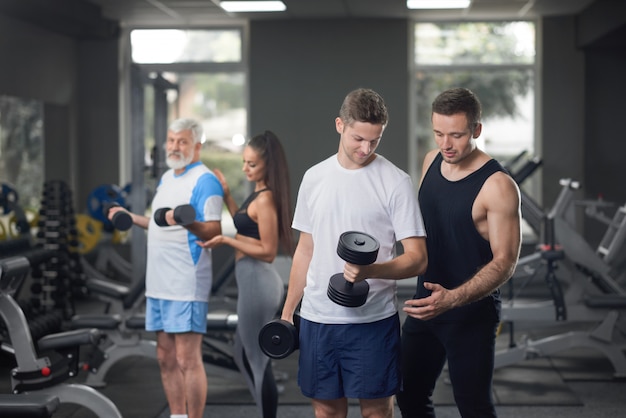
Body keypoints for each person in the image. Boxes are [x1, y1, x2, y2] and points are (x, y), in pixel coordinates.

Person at [280, 88, 428, 418]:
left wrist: (370, 271)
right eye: (358, 138)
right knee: (327, 412)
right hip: (318, 319)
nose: (365, 149)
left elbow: (418, 258)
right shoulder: (314, 178)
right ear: (339, 125)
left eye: (374, 141)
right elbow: (306, 250)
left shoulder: (395, 182)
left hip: (373, 321)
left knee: (377, 412)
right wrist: (289, 312)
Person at [396, 87, 522, 418]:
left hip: (470, 314)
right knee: (409, 397)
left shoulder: (498, 186)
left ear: (476, 130)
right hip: (426, 307)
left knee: (474, 408)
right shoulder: (430, 161)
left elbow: (506, 262)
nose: (445, 144)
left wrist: (452, 299)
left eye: (456, 135)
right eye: (438, 133)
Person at [108, 118, 224, 418]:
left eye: (182, 141)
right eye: (171, 140)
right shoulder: (168, 178)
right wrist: (131, 217)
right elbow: (162, 223)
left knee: (187, 358)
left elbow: (213, 230)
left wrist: (187, 221)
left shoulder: (205, 180)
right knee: (164, 357)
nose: (174, 147)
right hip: (158, 282)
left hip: (186, 280)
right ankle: (177, 415)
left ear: (196, 146)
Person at [196, 130, 294, 418]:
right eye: (244, 162)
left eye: (252, 164)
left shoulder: (266, 199)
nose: (245, 168)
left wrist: (227, 241)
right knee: (242, 355)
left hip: (258, 280)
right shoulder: (258, 193)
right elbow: (246, 225)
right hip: (251, 279)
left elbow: (267, 250)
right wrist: (227, 195)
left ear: (268, 165)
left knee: (257, 360)